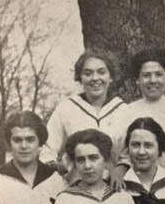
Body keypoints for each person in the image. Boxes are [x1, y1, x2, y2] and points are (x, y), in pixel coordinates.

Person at [40, 49, 129, 184]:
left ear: (110, 77)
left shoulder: (124, 110)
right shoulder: (66, 108)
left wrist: (122, 167)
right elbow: (48, 149)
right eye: (88, 73)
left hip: (114, 186)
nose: (95, 78)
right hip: (75, 186)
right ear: (80, 78)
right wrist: (55, 167)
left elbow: (130, 152)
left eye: (101, 72)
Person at [123, 117, 165, 204]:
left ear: (159, 148)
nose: (141, 152)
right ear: (127, 148)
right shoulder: (119, 186)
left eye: (148, 145)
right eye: (135, 145)